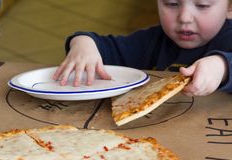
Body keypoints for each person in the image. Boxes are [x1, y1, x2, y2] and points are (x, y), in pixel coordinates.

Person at [54, 0, 232, 96]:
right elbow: (103, 48)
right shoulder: (151, 41)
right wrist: (82, 43)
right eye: (171, 4)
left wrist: (223, 67)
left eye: (202, 5)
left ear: (229, 7)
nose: (185, 17)